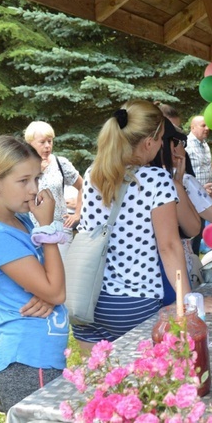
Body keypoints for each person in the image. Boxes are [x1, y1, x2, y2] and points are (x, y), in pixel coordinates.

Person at [73, 100, 188, 349]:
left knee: (100, 383)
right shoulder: (156, 179)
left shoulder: (94, 172)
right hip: (136, 303)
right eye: (160, 140)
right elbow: (169, 246)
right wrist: (188, 304)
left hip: (88, 300)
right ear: (149, 142)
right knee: (151, 384)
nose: (160, 147)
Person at [0, 136, 68, 412]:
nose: (33, 190)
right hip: (26, 361)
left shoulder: (19, 218)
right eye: (23, 181)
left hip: (38, 356)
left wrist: (48, 294)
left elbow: (52, 284)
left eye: (36, 179)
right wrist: (47, 229)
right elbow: (57, 290)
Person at [152, 118, 212, 299]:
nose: (185, 147)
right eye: (181, 143)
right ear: (172, 148)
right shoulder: (180, 181)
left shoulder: (134, 176)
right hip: (174, 273)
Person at [24, 121, 83, 256]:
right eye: (42, 142)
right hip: (29, 230)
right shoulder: (21, 166)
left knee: (62, 275)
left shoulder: (60, 163)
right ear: (30, 143)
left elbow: (83, 186)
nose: (47, 146)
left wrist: (78, 214)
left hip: (60, 230)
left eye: (50, 141)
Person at [185, 115, 212, 254]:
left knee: (198, 233)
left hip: (204, 198)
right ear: (193, 127)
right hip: (190, 199)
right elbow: (183, 175)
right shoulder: (186, 145)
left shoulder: (205, 145)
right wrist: (199, 189)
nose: (207, 128)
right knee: (191, 234)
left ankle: (195, 263)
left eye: (207, 125)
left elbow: (205, 170)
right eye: (203, 126)